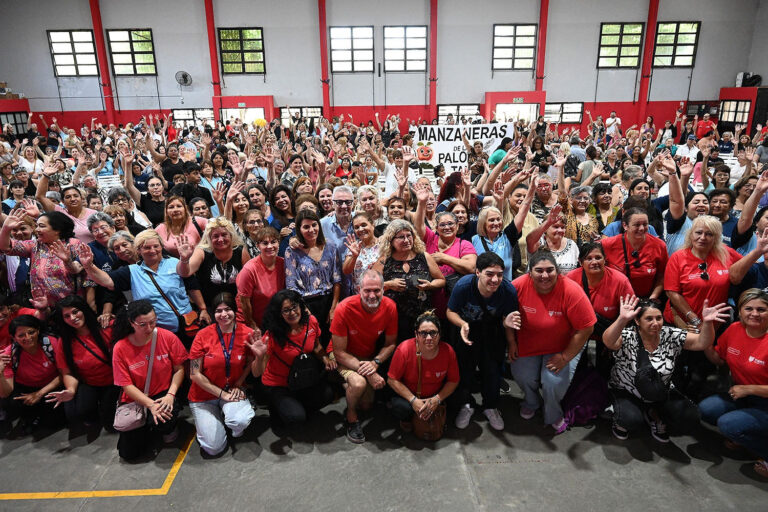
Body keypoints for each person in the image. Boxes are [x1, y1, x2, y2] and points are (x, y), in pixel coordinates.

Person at [603, 296, 729, 442]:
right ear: (637, 321)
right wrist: (622, 319)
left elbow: (702, 343)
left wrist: (707, 323)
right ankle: (622, 415)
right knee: (630, 420)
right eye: (649, 319)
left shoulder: (670, 334)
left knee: (690, 416)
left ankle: (653, 414)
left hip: (660, 391)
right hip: (627, 391)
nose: (655, 323)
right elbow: (608, 341)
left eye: (659, 318)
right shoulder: (628, 335)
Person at [511, 251, 596, 434]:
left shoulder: (571, 290)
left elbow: (587, 328)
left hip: (563, 345)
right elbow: (507, 316)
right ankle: (531, 402)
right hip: (529, 343)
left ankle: (553, 413)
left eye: (550, 270)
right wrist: (511, 342)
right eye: (539, 270)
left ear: (557, 271)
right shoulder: (517, 286)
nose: (545, 275)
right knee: (522, 374)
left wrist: (565, 357)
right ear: (529, 273)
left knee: (552, 381)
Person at [78, 229, 210, 345]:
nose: (152, 250)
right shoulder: (132, 271)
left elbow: (192, 285)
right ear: (138, 250)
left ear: (161, 246)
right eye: (147, 247)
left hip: (188, 325)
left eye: (156, 246)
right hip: (157, 332)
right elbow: (107, 281)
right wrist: (89, 265)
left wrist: (203, 309)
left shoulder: (174, 262)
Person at [446, 252, 520, 431]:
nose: (495, 279)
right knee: (464, 370)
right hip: (466, 330)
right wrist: (462, 324)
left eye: (499, 275)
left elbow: (508, 319)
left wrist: (511, 342)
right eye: (490, 274)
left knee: (492, 370)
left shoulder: (508, 291)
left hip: (492, 331)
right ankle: (466, 404)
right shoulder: (464, 286)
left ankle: (490, 406)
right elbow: (450, 311)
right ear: (478, 272)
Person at [699, 289, 768, 479]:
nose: (754, 313)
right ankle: (746, 434)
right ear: (740, 311)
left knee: (728, 424)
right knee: (706, 409)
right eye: (749, 308)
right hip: (743, 396)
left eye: (761, 309)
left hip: (761, 400)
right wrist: (706, 328)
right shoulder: (735, 329)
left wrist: (749, 388)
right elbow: (717, 359)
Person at [111, 300, 187, 460]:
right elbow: (126, 385)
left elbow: (179, 369)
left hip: (162, 393)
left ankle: (165, 427)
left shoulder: (167, 337)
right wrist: (150, 405)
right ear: (131, 323)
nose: (149, 328)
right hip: (136, 397)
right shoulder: (120, 347)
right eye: (143, 324)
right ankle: (144, 427)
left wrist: (171, 395)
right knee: (128, 453)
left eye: (153, 322)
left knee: (164, 421)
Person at [251, 290, 334, 429]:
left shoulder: (311, 321)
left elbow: (316, 345)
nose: (292, 312)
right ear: (279, 314)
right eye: (286, 310)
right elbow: (257, 373)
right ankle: (280, 407)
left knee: (328, 395)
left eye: (294, 307)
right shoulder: (272, 335)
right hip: (280, 384)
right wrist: (259, 357)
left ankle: (295, 407)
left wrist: (326, 359)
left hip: (303, 378)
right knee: (296, 418)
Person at [331, 270, 398, 443]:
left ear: (383, 289)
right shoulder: (344, 308)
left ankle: (344, 385)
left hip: (367, 356)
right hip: (342, 355)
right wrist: (370, 373)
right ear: (358, 289)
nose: (372, 295)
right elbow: (339, 352)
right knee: (359, 384)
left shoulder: (390, 306)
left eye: (376, 290)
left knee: (367, 406)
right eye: (367, 290)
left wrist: (375, 363)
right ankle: (351, 417)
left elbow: (390, 343)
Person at [188, 293, 258, 457]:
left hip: (232, 390)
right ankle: (211, 421)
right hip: (203, 396)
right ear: (213, 313)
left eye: (228, 309)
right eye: (218, 311)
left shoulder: (247, 333)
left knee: (239, 421)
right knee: (214, 448)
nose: (224, 314)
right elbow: (194, 374)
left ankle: (227, 420)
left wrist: (239, 384)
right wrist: (222, 394)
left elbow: (250, 362)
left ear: (235, 311)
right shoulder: (202, 335)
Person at [46, 295, 119, 431]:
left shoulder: (106, 326)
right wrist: (71, 390)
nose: (73, 318)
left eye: (75, 312)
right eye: (67, 316)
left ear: (84, 309)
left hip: (115, 381)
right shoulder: (65, 341)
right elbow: (67, 372)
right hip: (89, 382)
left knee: (111, 423)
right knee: (80, 413)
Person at [566, 243, 634, 375]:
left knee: (605, 373)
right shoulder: (570, 279)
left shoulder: (620, 280)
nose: (594, 262)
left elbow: (629, 313)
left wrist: (615, 336)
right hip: (578, 334)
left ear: (605, 259)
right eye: (588, 258)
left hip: (609, 334)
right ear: (580, 262)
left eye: (598, 257)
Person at [372, 219, 445, 342]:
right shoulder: (385, 260)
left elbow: (441, 280)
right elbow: (370, 286)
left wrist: (430, 285)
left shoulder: (424, 256)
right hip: (394, 317)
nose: (406, 240)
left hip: (422, 317)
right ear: (391, 240)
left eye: (409, 235)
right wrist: (389, 284)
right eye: (401, 237)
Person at [387, 311, 460, 433]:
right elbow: (392, 379)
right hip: (411, 396)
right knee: (400, 407)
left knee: (459, 398)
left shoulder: (448, 351)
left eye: (433, 333)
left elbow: (453, 380)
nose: (429, 338)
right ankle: (408, 419)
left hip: (435, 395)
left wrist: (437, 399)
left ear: (439, 334)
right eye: (423, 333)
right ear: (416, 334)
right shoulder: (404, 349)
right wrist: (413, 400)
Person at [0, 209, 87, 306]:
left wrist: (67, 261)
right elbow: (5, 247)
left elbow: (77, 269)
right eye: (37, 226)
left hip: (70, 306)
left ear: (57, 230)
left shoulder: (74, 244)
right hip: (42, 306)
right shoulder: (35, 245)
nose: (37, 229)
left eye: (41, 226)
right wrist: (6, 228)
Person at [285, 209, 341, 347]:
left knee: (331, 342)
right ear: (299, 229)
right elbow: (291, 285)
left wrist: (334, 307)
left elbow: (337, 279)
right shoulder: (292, 251)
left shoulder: (330, 246)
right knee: (312, 344)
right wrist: (304, 309)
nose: (311, 230)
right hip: (306, 304)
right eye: (306, 227)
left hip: (329, 301)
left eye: (314, 225)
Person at [0, 315, 63, 437]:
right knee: (12, 403)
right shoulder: (9, 354)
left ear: (38, 330)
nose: (27, 338)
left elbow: (64, 375)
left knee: (51, 423)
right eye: (21, 335)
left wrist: (39, 394)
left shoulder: (51, 343)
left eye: (31, 332)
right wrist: (0, 374)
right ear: (13, 338)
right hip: (26, 388)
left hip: (52, 385)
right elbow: (5, 393)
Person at [176, 217, 249, 306]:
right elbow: (184, 273)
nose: (220, 239)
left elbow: (248, 281)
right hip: (209, 306)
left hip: (236, 304)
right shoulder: (201, 252)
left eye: (224, 235)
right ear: (209, 238)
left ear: (231, 235)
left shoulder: (241, 251)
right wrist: (184, 259)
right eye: (216, 236)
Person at [601, 208, 668, 300]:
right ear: (625, 226)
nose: (641, 228)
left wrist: (652, 299)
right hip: (616, 299)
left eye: (645, 224)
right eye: (637, 225)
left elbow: (662, 275)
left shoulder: (659, 246)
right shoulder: (607, 244)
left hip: (647, 299)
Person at [237, 227, 285, 330]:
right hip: (256, 322)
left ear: (279, 243)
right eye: (265, 243)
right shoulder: (249, 269)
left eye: (273, 242)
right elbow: (244, 302)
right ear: (257, 246)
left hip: (279, 320)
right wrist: (252, 324)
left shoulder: (284, 263)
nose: (270, 246)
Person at [35, 164, 98, 243]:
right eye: (68, 197)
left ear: (81, 198)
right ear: (62, 201)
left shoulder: (94, 214)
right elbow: (40, 197)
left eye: (76, 196)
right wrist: (45, 175)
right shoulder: (59, 213)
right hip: (66, 250)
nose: (73, 199)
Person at [342, 213, 380, 295]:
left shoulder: (383, 245)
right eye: (356, 227)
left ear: (373, 225)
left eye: (364, 225)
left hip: (380, 294)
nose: (360, 229)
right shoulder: (354, 246)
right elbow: (346, 271)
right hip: (360, 296)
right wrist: (354, 257)